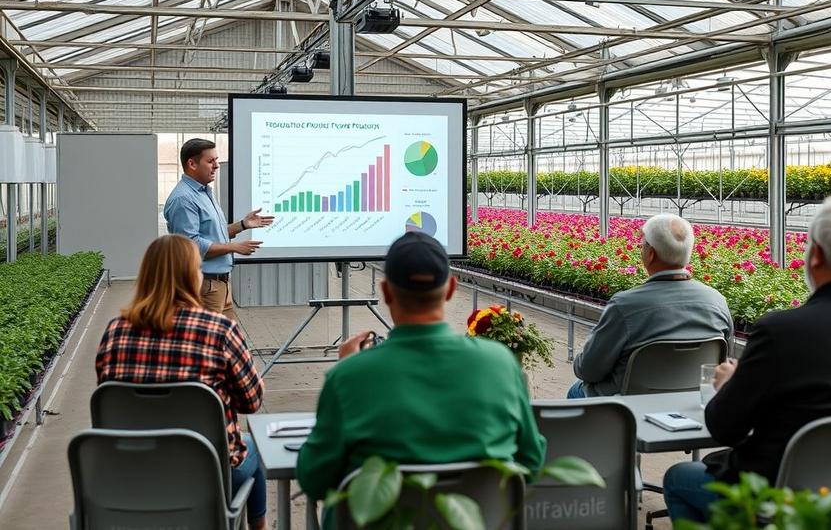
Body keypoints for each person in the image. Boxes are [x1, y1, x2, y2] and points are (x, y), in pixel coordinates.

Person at [663, 196, 831, 522]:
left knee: (679, 478)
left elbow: (725, 427)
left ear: (815, 255)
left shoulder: (782, 331)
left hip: (785, 501)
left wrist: (729, 386)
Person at [297, 232, 547, 517]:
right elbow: (530, 463)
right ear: (451, 289)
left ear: (387, 291)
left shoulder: (349, 377)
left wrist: (346, 370)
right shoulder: (500, 363)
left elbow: (314, 479)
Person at [95, 235, 267, 530]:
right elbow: (251, 402)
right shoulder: (220, 329)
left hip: (130, 471)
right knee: (255, 449)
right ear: (192, 276)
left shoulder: (114, 332)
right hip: (207, 473)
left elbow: (111, 397)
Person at [567, 213, 733, 398]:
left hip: (627, 404)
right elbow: (724, 364)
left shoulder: (624, 306)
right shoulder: (717, 301)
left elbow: (589, 370)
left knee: (576, 391)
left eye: (642, 245)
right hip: (693, 399)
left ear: (651, 253)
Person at [163, 138, 273, 321]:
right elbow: (192, 247)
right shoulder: (183, 199)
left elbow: (215, 234)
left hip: (220, 285)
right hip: (204, 287)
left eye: (216, 160)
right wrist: (234, 247)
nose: (216, 166)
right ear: (192, 163)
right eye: (210, 161)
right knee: (209, 345)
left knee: (230, 342)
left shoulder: (204, 192)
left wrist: (243, 225)